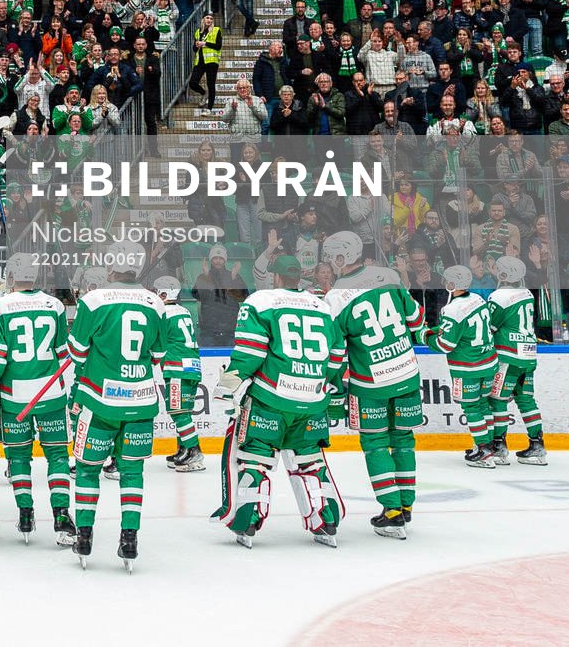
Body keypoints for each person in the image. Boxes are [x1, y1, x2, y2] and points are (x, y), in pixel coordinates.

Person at [214, 255, 346, 548]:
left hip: (271, 398)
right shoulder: (322, 306)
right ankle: (327, 521)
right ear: (300, 277)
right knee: (309, 461)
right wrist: (327, 383)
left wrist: (226, 386)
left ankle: (247, 522)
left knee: (256, 458)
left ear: (274, 277)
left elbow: (249, 353)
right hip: (312, 399)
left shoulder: (261, 302)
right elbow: (337, 354)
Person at [65, 272, 176, 570]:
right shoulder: (155, 302)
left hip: (99, 402)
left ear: (111, 272)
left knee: (87, 471)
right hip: (140, 402)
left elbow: (76, 352)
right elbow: (158, 355)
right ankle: (130, 540)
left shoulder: (93, 300)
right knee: (132, 473)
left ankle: (85, 537)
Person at [322, 234, 426, 540]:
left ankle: (392, 512)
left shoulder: (336, 298)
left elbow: (337, 354)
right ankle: (406, 507)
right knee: (404, 441)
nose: (330, 262)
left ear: (340, 258)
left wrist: (333, 387)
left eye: (331, 256)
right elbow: (416, 319)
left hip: (370, 384)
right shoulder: (390, 277)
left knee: (376, 445)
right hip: (406, 373)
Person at [0, 254, 72, 545]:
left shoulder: (1, 306)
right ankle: (60, 515)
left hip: (15, 396)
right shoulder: (54, 305)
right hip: (51, 394)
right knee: (57, 455)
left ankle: (26, 513)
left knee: (18, 456)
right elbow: (62, 352)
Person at [431, 266, 502, 469]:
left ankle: (483, 450)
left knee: (471, 408)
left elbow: (446, 344)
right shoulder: (478, 299)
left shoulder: (451, 309)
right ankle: (489, 446)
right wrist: (437, 329)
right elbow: (462, 327)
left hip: (468, 367)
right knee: (482, 405)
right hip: (489, 363)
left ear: (452, 284)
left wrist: (426, 337)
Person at [487, 255, 546, 466]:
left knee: (497, 399)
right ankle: (537, 445)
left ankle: (498, 445)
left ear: (503, 274)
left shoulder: (498, 296)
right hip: (528, 354)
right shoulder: (527, 293)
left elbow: (489, 328)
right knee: (526, 399)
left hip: (508, 356)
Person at [152, 275, 206, 472]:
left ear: (164, 293)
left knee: (178, 412)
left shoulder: (163, 313)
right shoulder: (183, 311)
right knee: (184, 411)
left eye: (157, 291)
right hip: (192, 367)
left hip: (177, 368)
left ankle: (194, 452)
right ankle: (183, 448)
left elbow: (154, 340)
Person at [189, 11, 222, 110]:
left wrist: (204, 43)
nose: (209, 20)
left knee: (211, 84)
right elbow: (194, 49)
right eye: (207, 18)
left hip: (212, 61)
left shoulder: (216, 30)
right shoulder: (198, 31)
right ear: (203, 19)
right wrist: (196, 45)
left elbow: (218, 46)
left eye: (211, 18)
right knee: (192, 83)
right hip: (200, 61)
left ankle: (209, 109)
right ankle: (204, 93)